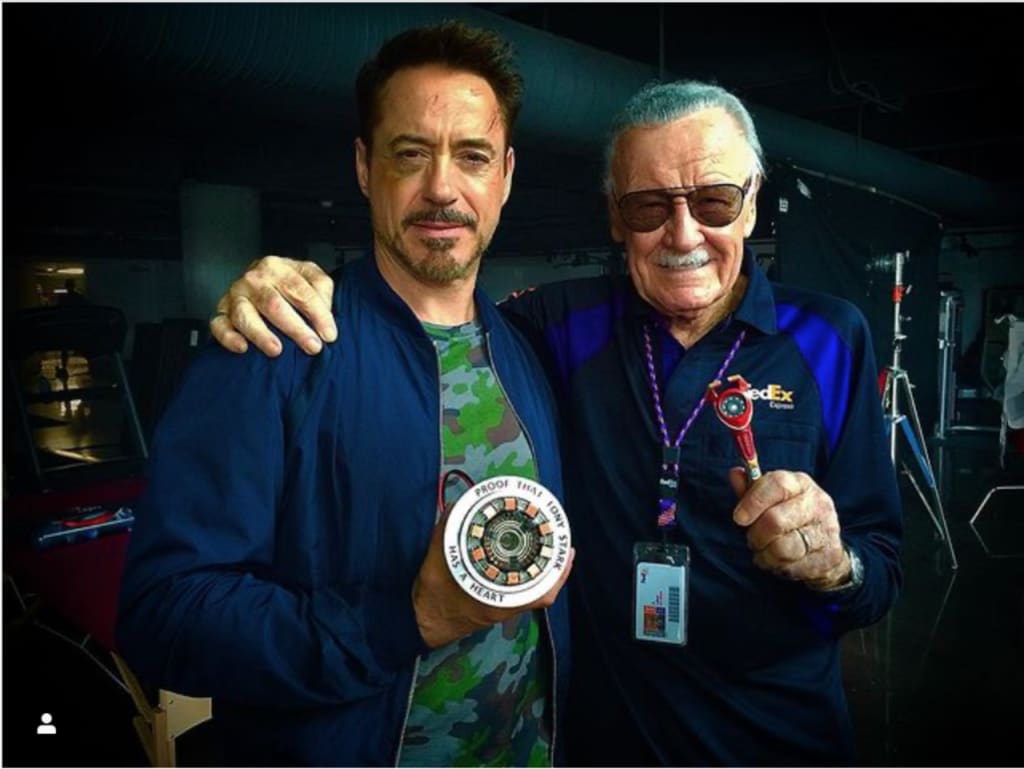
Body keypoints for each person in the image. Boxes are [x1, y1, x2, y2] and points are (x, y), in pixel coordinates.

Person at [211, 79, 903, 765]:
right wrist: (292, 287)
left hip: (778, 741)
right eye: (648, 206)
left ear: (751, 204)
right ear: (615, 218)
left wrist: (837, 565)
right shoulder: (560, 323)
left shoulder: (831, 336)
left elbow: (881, 569)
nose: (683, 233)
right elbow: (435, 318)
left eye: (714, 201)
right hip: (601, 743)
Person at [116, 22, 573, 767]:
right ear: (365, 167)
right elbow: (163, 614)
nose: (442, 188)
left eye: (472, 156)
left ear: (506, 176)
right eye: (410, 153)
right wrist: (404, 620)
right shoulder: (274, 348)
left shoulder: (525, 354)